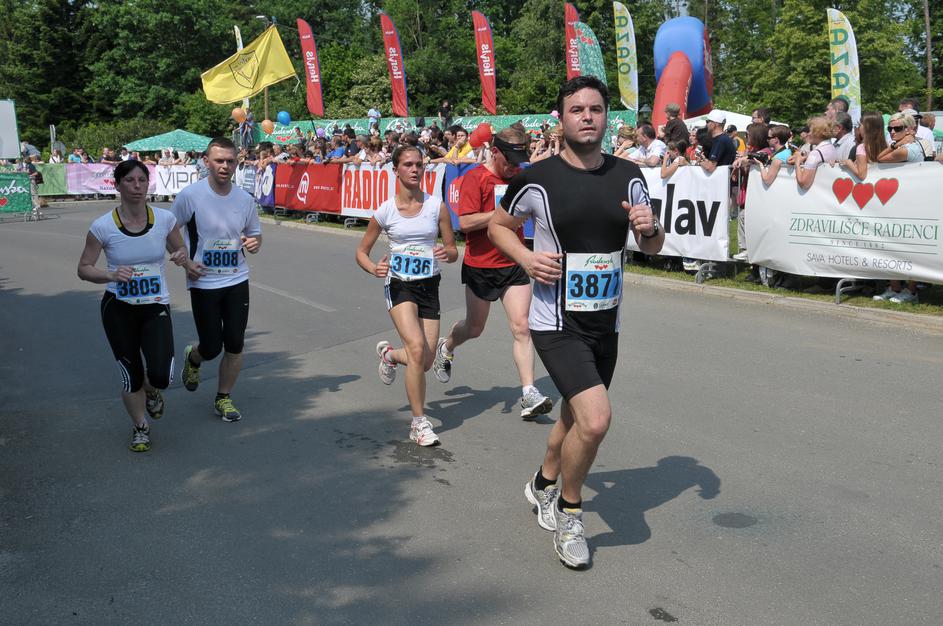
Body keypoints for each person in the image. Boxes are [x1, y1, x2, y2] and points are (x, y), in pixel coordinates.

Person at [488, 76, 664, 570]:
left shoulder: (629, 174)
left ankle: (542, 484)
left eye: (596, 109)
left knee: (573, 416)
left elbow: (652, 245)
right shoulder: (537, 178)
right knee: (596, 418)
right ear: (561, 119)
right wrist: (526, 257)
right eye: (577, 110)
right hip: (555, 321)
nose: (587, 117)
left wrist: (650, 229)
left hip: (606, 322)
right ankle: (570, 513)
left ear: (607, 116)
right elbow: (499, 226)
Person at [431, 126, 553, 419]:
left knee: (522, 327)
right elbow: (466, 223)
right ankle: (447, 346)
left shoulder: (521, 177)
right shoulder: (475, 177)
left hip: (513, 262)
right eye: (509, 160)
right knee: (474, 328)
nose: (514, 167)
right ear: (495, 152)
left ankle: (529, 393)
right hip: (481, 266)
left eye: (518, 161)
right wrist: (503, 214)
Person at [77, 160, 189, 451]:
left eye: (142, 180)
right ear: (117, 185)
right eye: (130, 180)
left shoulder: (164, 219)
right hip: (118, 308)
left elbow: (179, 247)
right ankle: (141, 427)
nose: (137, 186)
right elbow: (84, 268)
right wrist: (111, 275)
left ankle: (152, 390)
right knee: (131, 375)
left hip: (155, 305)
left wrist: (182, 255)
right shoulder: (102, 226)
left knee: (161, 375)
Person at [355, 146, 458, 446]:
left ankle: (389, 355)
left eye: (419, 165)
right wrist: (373, 268)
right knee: (416, 347)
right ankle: (419, 423)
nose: (415, 169)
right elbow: (361, 252)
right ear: (396, 170)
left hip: (429, 285)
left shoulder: (437, 207)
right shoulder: (385, 211)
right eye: (408, 164)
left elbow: (452, 250)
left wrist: (446, 253)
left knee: (424, 360)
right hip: (399, 285)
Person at [171, 137, 262, 422]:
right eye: (219, 160)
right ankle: (194, 357)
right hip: (203, 281)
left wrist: (254, 243)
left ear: (237, 163)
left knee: (235, 343)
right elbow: (169, 229)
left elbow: (255, 234)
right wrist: (185, 261)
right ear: (206, 162)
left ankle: (223, 398)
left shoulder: (244, 199)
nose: (225, 166)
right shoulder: (190, 196)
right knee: (211, 346)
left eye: (230, 161)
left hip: (236, 278)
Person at [841, 112, 886, 181]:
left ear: (867, 128)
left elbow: (862, 175)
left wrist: (849, 163)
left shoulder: (862, 147)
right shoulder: (886, 145)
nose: (859, 128)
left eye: (860, 125)